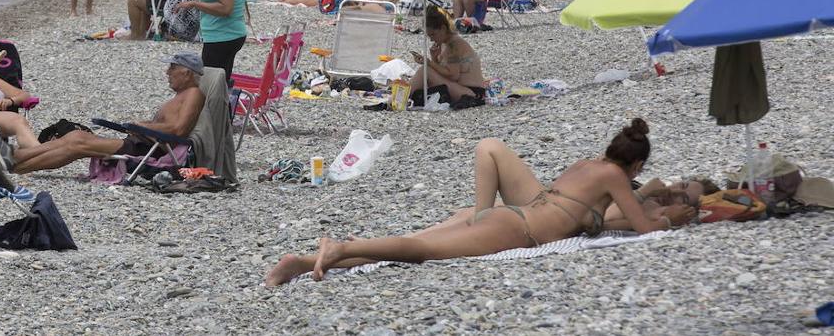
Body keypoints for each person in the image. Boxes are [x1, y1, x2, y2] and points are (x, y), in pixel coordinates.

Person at [264, 118, 693, 286]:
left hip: (513, 216)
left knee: (415, 249)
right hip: (516, 229)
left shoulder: (589, 165)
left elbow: (596, 219)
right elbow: (643, 227)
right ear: (634, 164)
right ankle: (341, 248)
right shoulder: (617, 177)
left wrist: (654, 194)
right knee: (422, 251)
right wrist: (671, 218)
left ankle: (302, 262)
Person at [11, 54, 206, 174]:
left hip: (153, 150)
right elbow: (169, 124)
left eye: (172, 67)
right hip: (145, 144)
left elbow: (178, 129)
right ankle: (17, 160)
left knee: (78, 143)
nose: (167, 72)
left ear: (187, 73)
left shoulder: (193, 94)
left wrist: (144, 127)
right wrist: (141, 124)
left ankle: (15, 163)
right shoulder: (182, 96)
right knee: (75, 137)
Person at [409, 5, 487, 108]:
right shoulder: (445, 43)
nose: (432, 39)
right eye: (429, 36)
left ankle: (400, 98)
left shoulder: (454, 44)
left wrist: (429, 62)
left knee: (424, 71)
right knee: (424, 73)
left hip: (472, 93)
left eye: (433, 34)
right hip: (461, 89)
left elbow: (453, 75)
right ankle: (402, 96)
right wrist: (435, 58)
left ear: (443, 28)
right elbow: (441, 75)